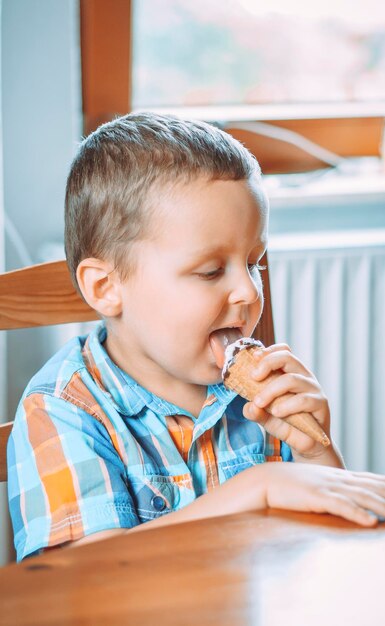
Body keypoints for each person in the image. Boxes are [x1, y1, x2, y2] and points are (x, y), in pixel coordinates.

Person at [7, 113, 385, 561]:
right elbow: (79, 578)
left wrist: (314, 453)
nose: (247, 291)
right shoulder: (62, 411)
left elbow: (325, 548)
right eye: (210, 271)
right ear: (106, 288)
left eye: (254, 262)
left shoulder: (260, 395)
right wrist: (259, 488)